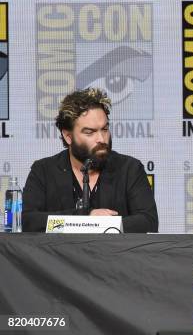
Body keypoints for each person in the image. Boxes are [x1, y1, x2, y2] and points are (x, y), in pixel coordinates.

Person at [23, 88, 158, 233]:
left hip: (113, 255)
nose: (101, 139)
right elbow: (30, 222)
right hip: (61, 256)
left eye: (105, 129)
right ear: (68, 136)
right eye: (90, 132)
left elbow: (148, 221)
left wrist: (104, 226)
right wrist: (84, 218)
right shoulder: (43, 170)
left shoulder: (130, 169)